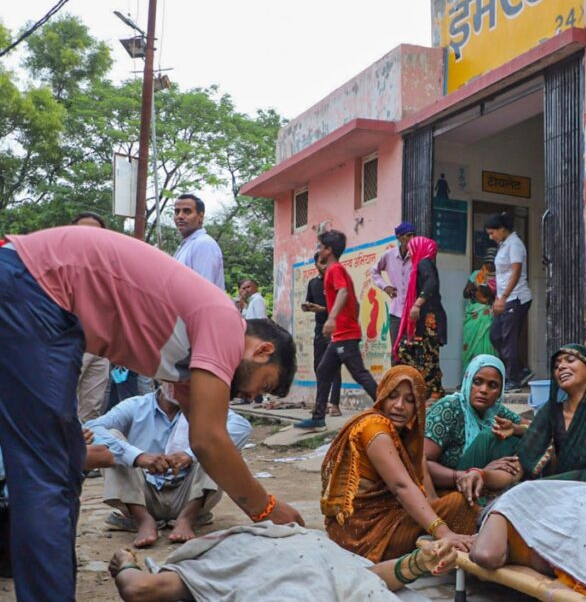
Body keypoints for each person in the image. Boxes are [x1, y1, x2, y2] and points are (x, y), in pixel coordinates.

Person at [0, 225, 303, 602]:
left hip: (32, 287)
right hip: (36, 286)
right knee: (45, 473)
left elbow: (204, 435)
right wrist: (268, 510)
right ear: (262, 351)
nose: (252, 394)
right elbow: (210, 440)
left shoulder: (189, 359)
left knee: (61, 467)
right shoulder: (226, 321)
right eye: (266, 384)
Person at [320, 366, 478, 562]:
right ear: (382, 396)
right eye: (392, 396)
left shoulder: (406, 437)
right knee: (459, 504)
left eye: (410, 400)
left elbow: (428, 494)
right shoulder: (374, 427)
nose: (399, 405)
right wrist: (444, 532)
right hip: (361, 533)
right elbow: (401, 487)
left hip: (378, 519)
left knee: (451, 501)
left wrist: (438, 508)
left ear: (418, 406)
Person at [457, 345, 586, 501]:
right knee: (514, 497)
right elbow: (519, 467)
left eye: (570, 360)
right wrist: (481, 474)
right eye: (557, 365)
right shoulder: (551, 413)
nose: (561, 367)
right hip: (565, 488)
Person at [86, 386, 252, 547]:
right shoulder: (136, 405)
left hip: (189, 495)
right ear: (159, 378)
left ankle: (187, 518)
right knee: (111, 443)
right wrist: (137, 457)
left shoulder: (203, 407)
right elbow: (91, 428)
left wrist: (190, 454)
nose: (176, 385)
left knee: (217, 444)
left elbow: (242, 426)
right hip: (143, 496)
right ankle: (143, 520)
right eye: (170, 378)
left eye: (183, 380)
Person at [107, 526, 461, 602]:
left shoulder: (317, 544)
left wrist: (416, 562)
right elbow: (140, 589)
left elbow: (367, 577)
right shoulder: (216, 557)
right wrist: (125, 564)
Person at [296, 230, 377, 430]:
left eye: (320, 247)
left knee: (359, 374)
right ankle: (318, 417)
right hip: (340, 335)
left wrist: (332, 318)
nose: (318, 250)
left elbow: (343, 291)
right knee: (324, 371)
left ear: (329, 250)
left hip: (345, 335)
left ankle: (388, 406)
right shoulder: (334, 270)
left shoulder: (335, 270)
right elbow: (349, 300)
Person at [425, 355, 526, 491]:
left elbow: (535, 428)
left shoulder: (495, 410)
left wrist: (515, 428)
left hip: (482, 479)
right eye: (477, 382)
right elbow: (422, 463)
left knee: (517, 438)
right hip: (450, 486)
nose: (483, 390)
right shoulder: (449, 408)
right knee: (490, 436)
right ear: (467, 380)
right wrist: (473, 474)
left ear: (499, 392)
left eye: (493, 385)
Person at [393, 236, 448, 399]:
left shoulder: (424, 263)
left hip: (429, 318)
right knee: (419, 352)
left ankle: (432, 391)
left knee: (425, 354)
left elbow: (431, 284)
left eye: (411, 248)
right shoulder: (421, 265)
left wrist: (417, 305)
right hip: (425, 318)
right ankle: (430, 390)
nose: (409, 252)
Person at [485, 212, 533, 390]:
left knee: (508, 339)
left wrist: (503, 297)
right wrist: (498, 298)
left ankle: (513, 378)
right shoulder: (503, 245)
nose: (491, 237)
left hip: (516, 298)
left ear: (502, 229)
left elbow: (516, 272)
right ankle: (520, 370)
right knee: (495, 335)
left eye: (492, 233)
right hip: (504, 299)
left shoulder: (514, 244)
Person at [71, 212, 112, 422]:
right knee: (62, 404)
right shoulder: (62, 264)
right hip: (70, 344)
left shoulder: (109, 267)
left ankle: (82, 454)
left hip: (100, 348)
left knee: (91, 412)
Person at [302, 256, 341, 416]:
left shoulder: (337, 282)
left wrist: (323, 309)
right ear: (316, 264)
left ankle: (335, 404)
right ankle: (321, 404)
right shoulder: (313, 283)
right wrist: (307, 307)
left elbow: (342, 307)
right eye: (322, 263)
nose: (325, 266)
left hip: (336, 328)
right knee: (319, 367)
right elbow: (309, 303)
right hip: (320, 330)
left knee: (335, 368)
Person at [371, 222, 416, 357]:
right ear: (399, 237)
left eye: (414, 235)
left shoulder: (417, 256)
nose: (412, 239)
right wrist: (385, 287)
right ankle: (395, 377)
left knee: (413, 350)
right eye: (409, 235)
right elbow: (374, 271)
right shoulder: (389, 255)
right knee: (396, 351)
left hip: (414, 312)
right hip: (396, 312)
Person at [172, 193, 225, 290]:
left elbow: (204, 290)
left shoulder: (204, 244)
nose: (180, 216)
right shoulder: (186, 245)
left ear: (200, 217)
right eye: (177, 212)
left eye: (187, 211)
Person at [461, 251, 500, 371]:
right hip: (474, 313)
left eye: (492, 263)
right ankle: (468, 377)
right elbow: (465, 294)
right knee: (470, 345)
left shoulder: (500, 277)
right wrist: (475, 286)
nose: (489, 266)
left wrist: (489, 291)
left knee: (488, 345)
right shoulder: (478, 274)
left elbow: (498, 297)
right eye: (487, 262)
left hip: (489, 314)